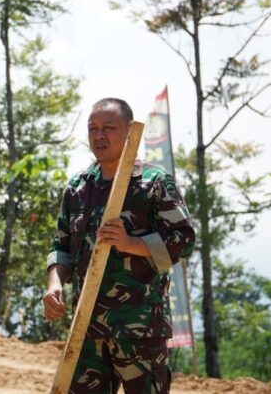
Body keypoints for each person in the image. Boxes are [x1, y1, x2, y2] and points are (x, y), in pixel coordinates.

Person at [43, 98, 195, 393]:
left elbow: (184, 241)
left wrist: (130, 243)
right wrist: (54, 284)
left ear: (129, 132)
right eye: (93, 129)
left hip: (139, 328)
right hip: (86, 328)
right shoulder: (78, 187)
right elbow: (61, 245)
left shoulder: (154, 183)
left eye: (109, 128)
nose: (99, 136)